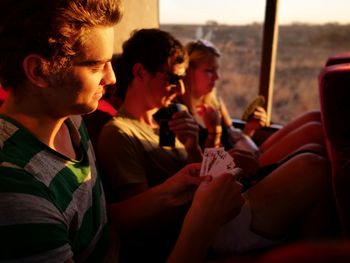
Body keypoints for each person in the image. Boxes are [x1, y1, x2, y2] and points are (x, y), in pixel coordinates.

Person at [0, 2, 245, 263]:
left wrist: (170, 190)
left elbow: (100, 223)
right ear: (39, 70)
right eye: (96, 66)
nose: (113, 77)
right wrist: (203, 224)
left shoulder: (73, 119)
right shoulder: (15, 190)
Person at [97, 28, 338, 262]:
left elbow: (186, 173)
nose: (181, 89)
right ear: (140, 73)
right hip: (197, 226)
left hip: (217, 204)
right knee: (311, 167)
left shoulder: (164, 119)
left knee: (314, 153)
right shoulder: (119, 134)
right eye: (173, 79)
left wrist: (194, 149)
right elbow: (144, 224)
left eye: (183, 79)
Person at [181, 39, 326, 168]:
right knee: (313, 133)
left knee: (315, 117)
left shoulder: (214, 101)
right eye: (209, 71)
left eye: (217, 71)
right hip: (232, 170)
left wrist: (249, 130)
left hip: (247, 155)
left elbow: (233, 139)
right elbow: (204, 168)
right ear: (187, 72)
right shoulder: (181, 114)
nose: (217, 77)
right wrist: (214, 132)